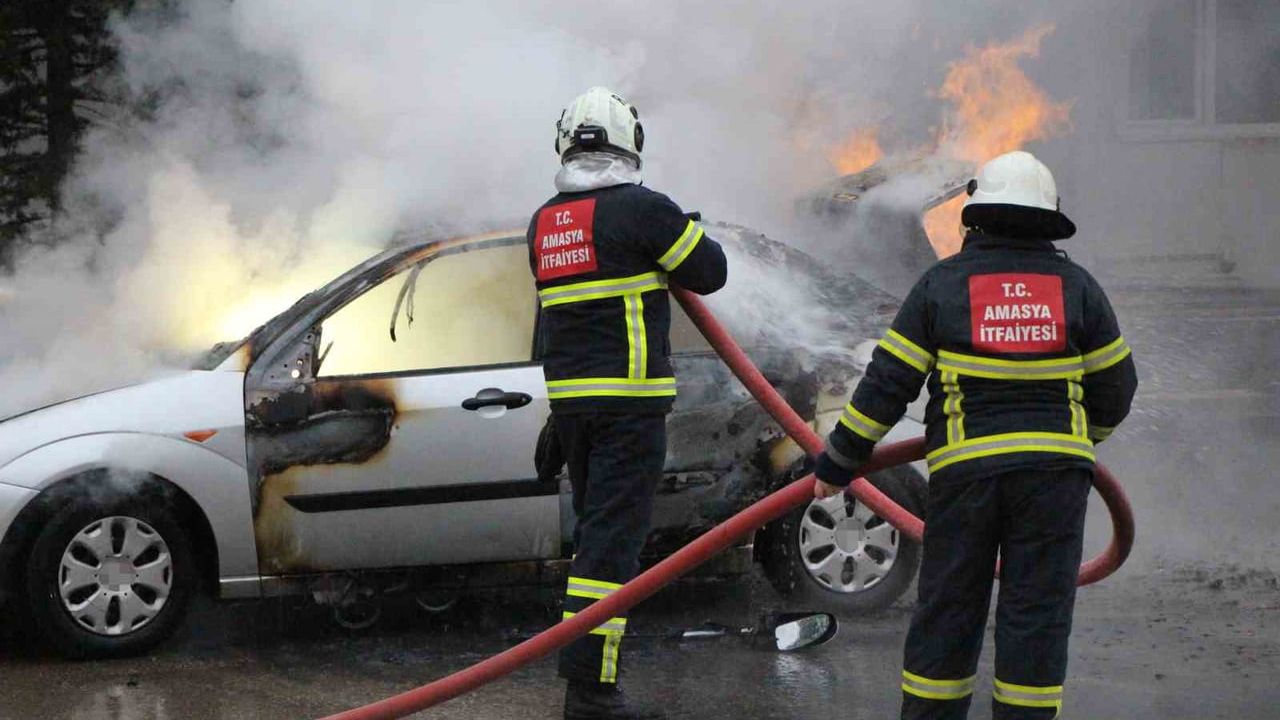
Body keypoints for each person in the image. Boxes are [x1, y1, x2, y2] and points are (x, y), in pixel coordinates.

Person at [813, 150, 1138, 720]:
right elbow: (1117, 387)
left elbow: (888, 384)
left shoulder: (943, 284)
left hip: (967, 479)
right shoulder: (1077, 286)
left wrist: (838, 463)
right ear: (1049, 219)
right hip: (1054, 482)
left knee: (950, 611)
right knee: (1035, 617)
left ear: (975, 215)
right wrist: (1080, 443)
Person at [528, 86, 727, 720]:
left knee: (596, 539)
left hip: (575, 410)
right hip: (628, 409)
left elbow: (562, 320)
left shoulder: (545, 221)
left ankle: (586, 687)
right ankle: (591, 694)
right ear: (629, 141)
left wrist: (558, 416)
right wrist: (683, 227)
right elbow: (711, 271)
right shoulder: (642, 210)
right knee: (609, 552)